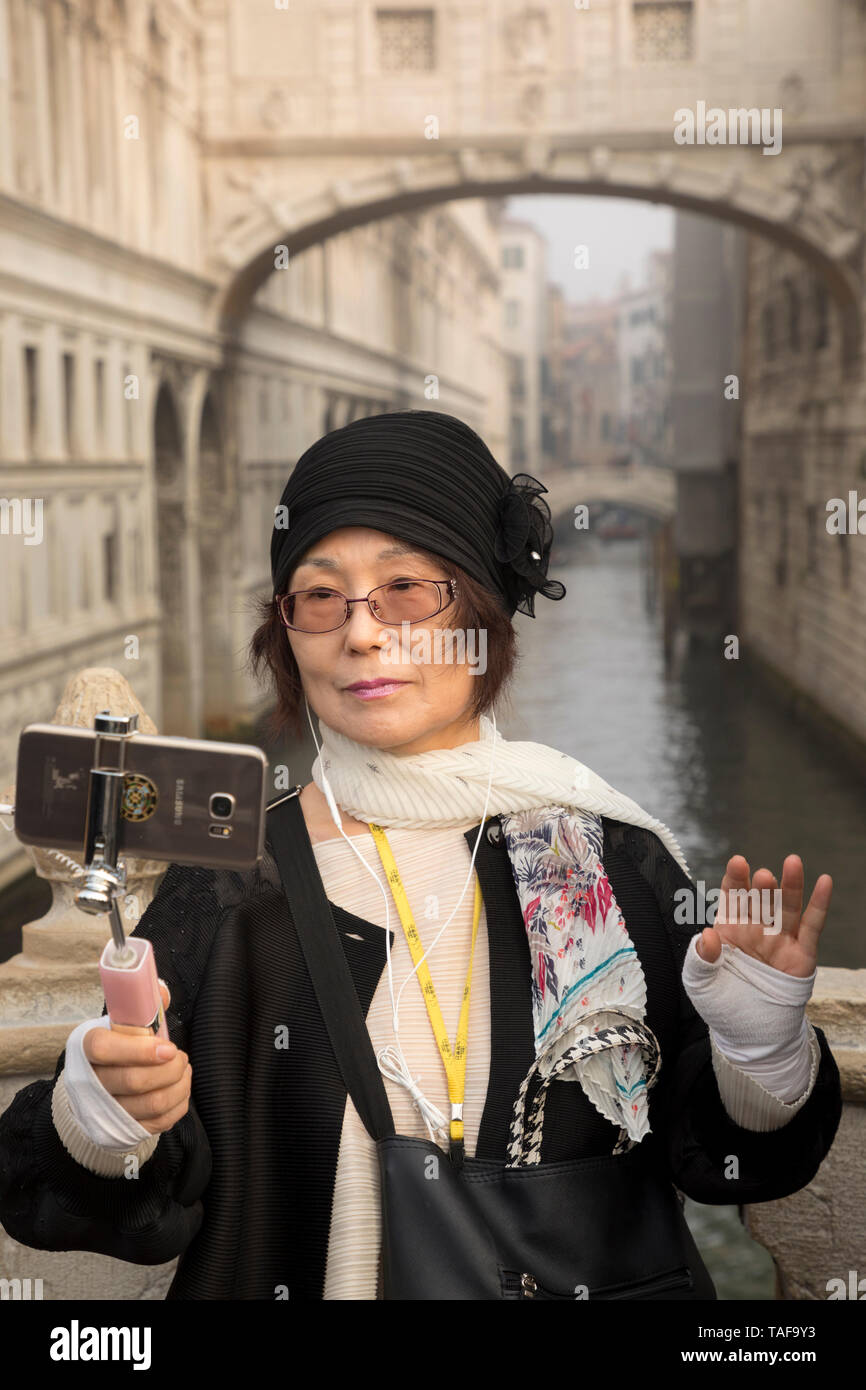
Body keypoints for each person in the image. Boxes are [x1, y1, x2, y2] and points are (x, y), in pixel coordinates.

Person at [0, 410, 842, 1300]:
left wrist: (762, 1052)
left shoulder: (608, 862)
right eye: (320, 597)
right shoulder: (233, 884)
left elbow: (721, 1163)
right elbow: (94, 1202)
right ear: (286, 633)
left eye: (405, 588)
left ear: (482, 611)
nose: (362, 633)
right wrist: (108, 1109)